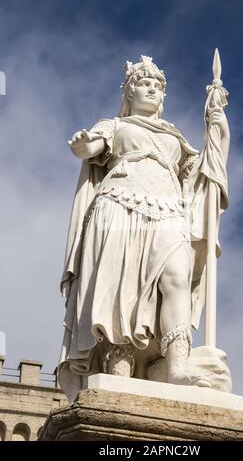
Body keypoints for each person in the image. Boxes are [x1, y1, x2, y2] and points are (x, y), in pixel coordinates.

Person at [58, 56, 230, 402]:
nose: (152, 89)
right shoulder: (115, 126)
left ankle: (178, 366)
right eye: (144, 83)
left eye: (157, 85)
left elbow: (200, 176)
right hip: (119, 203)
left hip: (167, 206)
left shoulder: (174, 137)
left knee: (177, 277)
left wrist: (216, 131)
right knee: (123, 286)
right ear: (129, 91)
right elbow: (90, 147)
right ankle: (117, 365)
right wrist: (81, 143)